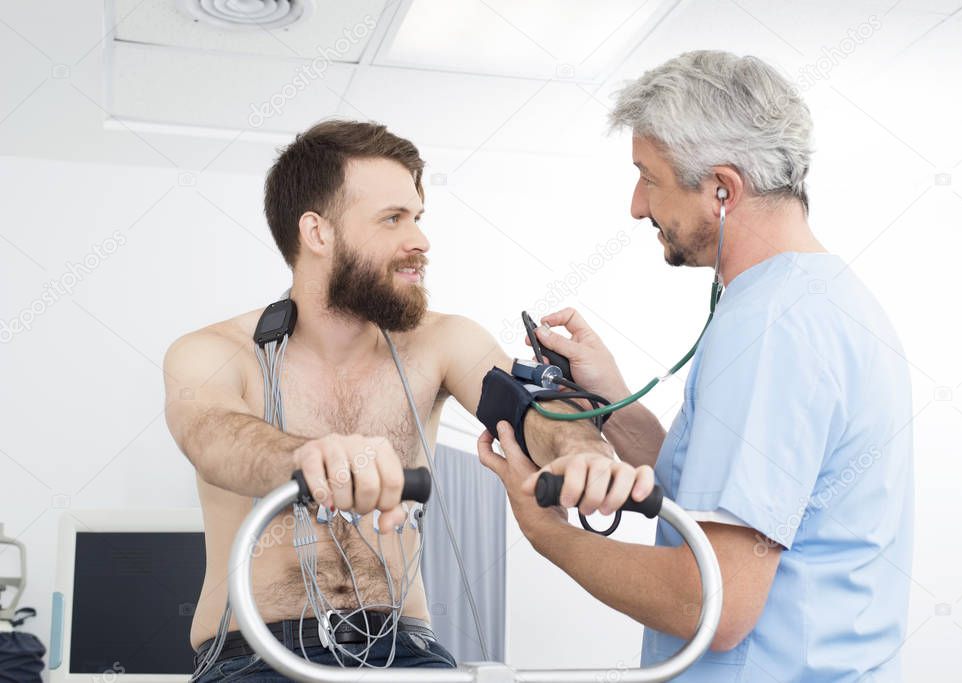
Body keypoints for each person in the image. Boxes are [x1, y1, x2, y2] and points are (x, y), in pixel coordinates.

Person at [479, 50, 914, 682]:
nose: (635, 206)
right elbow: (716, 497)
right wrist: (614, 399)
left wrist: (547, 534)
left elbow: (715, 601)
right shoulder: (820, 298)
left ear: (723, 189)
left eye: (648, 177)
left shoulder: (773, 327)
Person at [162, 120, 649, 679]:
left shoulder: (442, 342)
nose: (420, 241)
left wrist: (580, 449)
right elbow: (210, 433)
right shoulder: (213, 351)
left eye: (417, 218)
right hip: (256, 655)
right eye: (393, 219)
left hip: (406, 651)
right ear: (317, 234)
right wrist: (304, 460)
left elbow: (531, 408)